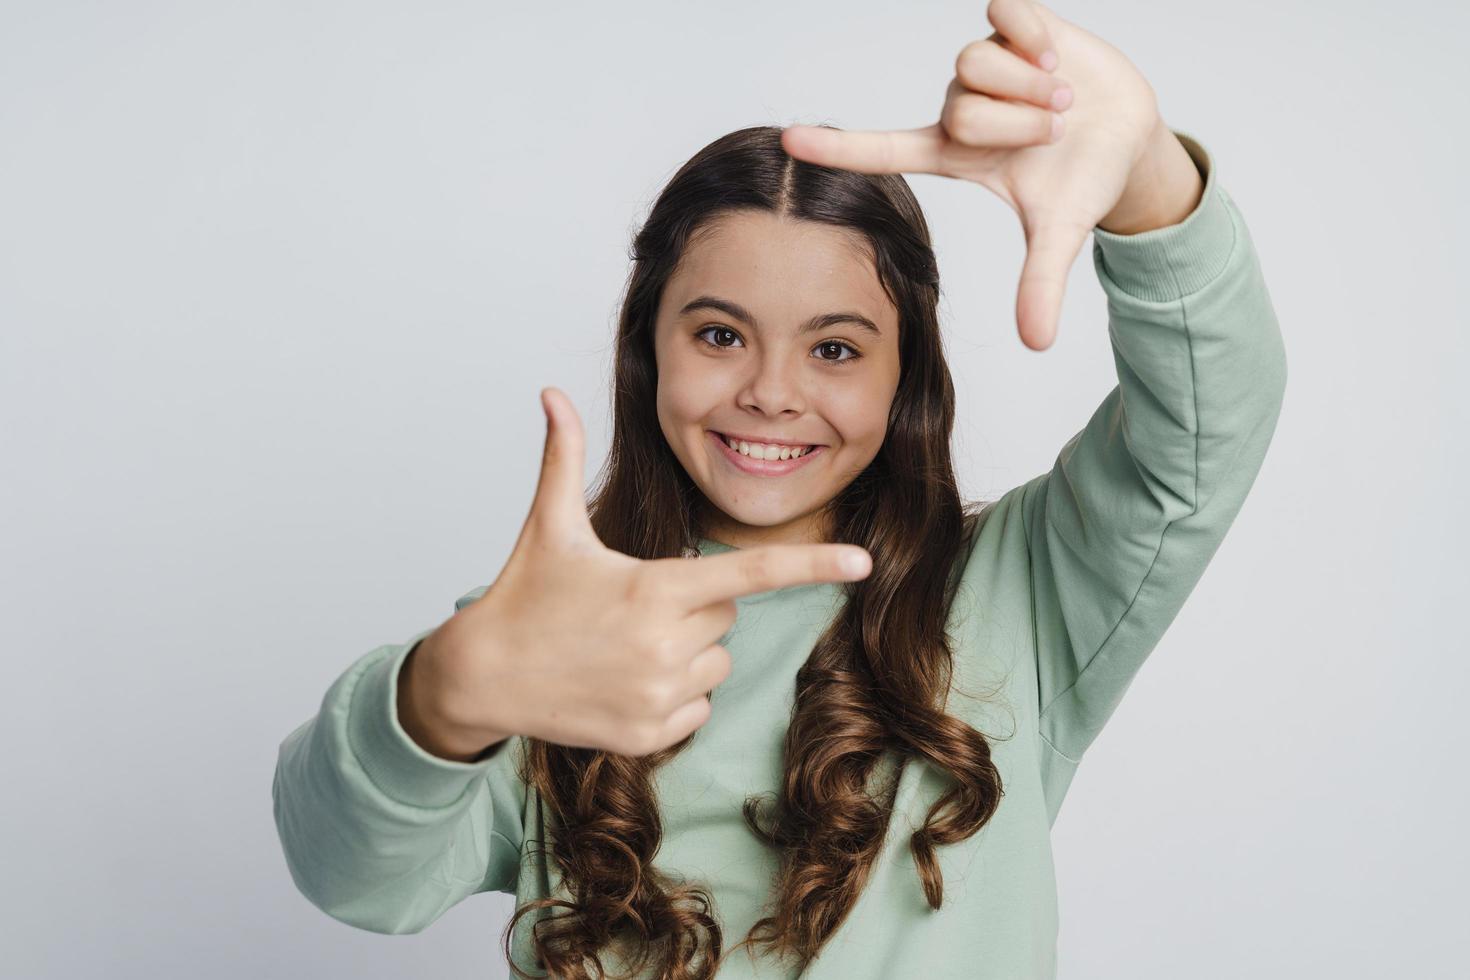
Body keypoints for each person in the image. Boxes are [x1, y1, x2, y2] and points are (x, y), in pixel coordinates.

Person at [271, 2, 1287, 977]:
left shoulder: (1019, 594)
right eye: (719, 334)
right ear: (648, 348)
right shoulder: (562, 629)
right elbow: (354, 872)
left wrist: (1150, 180)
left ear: (906, 377)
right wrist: (444, 688)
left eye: (836, 348)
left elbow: (1205, 425)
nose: (769, 391)